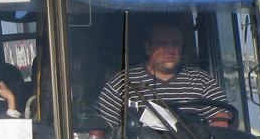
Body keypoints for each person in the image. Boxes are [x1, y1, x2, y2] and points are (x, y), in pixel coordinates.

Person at [96, 22, 233, 130]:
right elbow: (102, 128)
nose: (170, 50)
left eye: (175, 43)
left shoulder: (200, 80)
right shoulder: (122, 83)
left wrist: (219, 125)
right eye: (163, 44)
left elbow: (222, 117)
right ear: (148, 48)